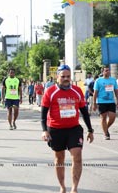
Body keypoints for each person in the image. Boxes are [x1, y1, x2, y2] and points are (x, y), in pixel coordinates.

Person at [41, 64, 94, 193]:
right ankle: (62, 186)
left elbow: (84, 111)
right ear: (57, 77)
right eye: (63, 76)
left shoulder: (77, 90)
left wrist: (90, 130)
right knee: (59, 158)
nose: (66, 79)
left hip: (73, 129)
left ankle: (74, 188)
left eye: (68, 76)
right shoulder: (50, 91)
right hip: (55, 129)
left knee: (77, 155)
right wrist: (44, 130)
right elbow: (43, 113)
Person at [93, 66, 118, 140]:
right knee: (103, 118)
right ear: (102, 72)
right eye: (106, 70)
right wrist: (94, 103)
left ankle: (105, 128)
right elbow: (95, 93)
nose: (107, 72)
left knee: (112, 117)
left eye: (108, 70)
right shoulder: (98, 81)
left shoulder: (113, 80)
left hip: (111, 101)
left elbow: (116, 91)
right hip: (101, 102)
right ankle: (106, 134)